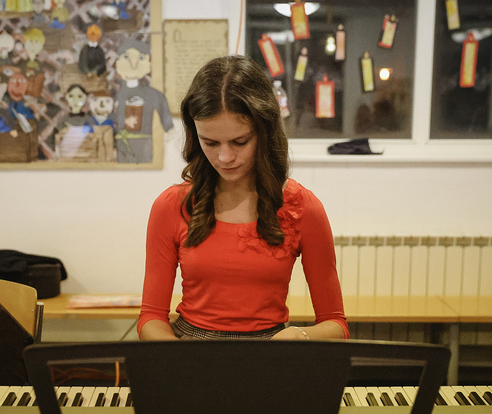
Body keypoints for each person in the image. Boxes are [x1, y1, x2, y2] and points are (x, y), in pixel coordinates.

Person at [138, 55, 348, 341]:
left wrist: (300, 336)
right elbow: (151, 317)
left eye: (240, 142)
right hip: (188, 351)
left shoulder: (302, 208)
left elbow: (336, 324)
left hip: (270, 352)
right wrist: (178, 356)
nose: (225, 157)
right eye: (210, 143)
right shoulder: (172, 206)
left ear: (264, 132)